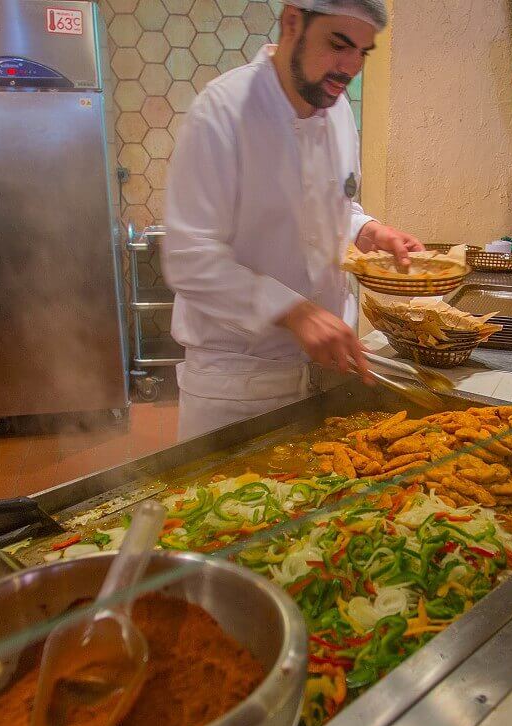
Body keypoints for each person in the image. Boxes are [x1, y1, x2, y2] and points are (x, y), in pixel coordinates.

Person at [162, 0, 422, 441]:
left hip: (326, 377)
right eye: (338, 45)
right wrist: (294, 311)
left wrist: (367, 230)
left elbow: (332, 204)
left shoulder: (336, 109)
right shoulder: (222, 113)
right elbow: (190, 257)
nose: (351, 66)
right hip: (239, 387)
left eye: (363, 52)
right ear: (291, 23)